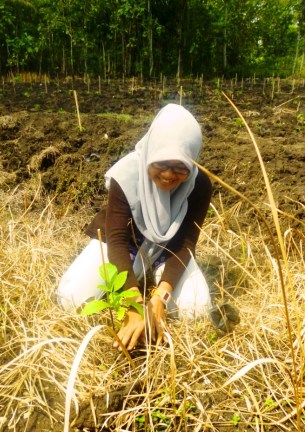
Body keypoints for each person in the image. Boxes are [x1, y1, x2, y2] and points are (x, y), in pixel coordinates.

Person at [56, 103, 212, 351]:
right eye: (162, 163)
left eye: (181, 166)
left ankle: (153, 276)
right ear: (151, 151)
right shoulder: (127, 173)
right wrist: (132, 303)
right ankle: (132, 279)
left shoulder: (199, 184)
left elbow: (186, 244)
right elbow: (117, 240)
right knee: (70, 297)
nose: (169, 175)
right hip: (126, 244)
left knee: (197, 309)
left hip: (166, 251)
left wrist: (161, 296)